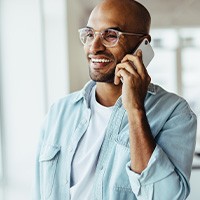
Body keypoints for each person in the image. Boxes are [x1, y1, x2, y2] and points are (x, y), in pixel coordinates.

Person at [33, 0, 197, 199]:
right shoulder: (60, 111)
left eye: (111, 35)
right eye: (90, 34)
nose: (94, 47)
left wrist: (135, 110)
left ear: (143, 44)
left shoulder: (174, 113)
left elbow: (165, 196)